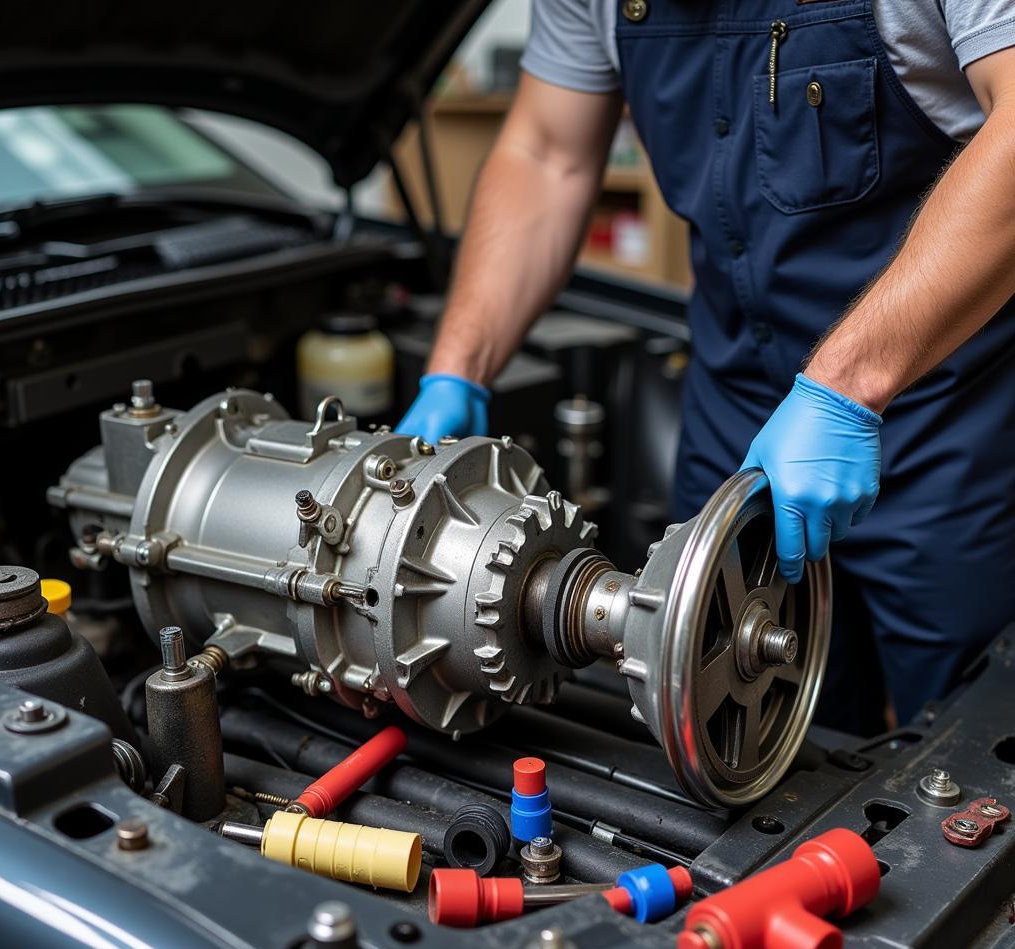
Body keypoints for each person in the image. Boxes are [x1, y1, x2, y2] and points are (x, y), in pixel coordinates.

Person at [397, 0, 1015, 733]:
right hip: (737, 408)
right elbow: (545, 153)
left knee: (963, 759)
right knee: (747, 719)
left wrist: (845, 390)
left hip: (955, 420)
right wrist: (457, 369)